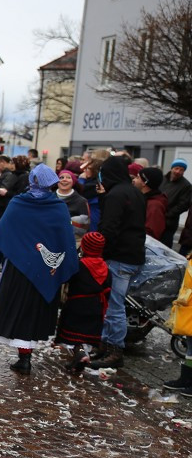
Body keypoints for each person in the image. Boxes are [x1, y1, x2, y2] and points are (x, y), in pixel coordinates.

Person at [0, 165, 79, 374]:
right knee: (34, 314)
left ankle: (23, 358)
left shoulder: (18, 203)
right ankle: (26, 357)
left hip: (18, 268)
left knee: (17, 310)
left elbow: (2, 235)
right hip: (46, 270)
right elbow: (66, 240)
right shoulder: (59, 207)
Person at [94, 155, 147, 368]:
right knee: (111, 304)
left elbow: (109, 227)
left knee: (114, 306)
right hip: (131, 254)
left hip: (119, 256)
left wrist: (98, 252)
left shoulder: (117, 194)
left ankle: (114, 350)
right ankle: (106, 346)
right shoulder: (133, 191)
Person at [55, 231, 112, 371]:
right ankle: (78, 361)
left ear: (84, 247)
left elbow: (66, 279)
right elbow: (108, 288)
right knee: (86, 336)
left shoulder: (79, 265)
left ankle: (80, 355)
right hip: (96, 307)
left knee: (74, 337)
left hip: (77, 306)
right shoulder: (106, 268)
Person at [160, 159, 191, 247]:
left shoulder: (186, 185)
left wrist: (167, 214)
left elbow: (183, 205)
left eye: (181, 170)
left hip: (169, 223)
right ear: (172, 168)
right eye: (176, 168)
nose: (178, 171)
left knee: (164, 247)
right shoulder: (162, 179)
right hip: (155, 217)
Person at [56, 169, 90, 239]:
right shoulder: (50, 198)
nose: (64, 180)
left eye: (68, 177)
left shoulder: (81, 201)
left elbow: (84, 225)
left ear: (73, 182)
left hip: (72, 239)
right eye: (61, 177)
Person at [135, 166, 168, 240]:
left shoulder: (154, 205)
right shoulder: (144, 199)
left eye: (137, 177)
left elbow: (151, 234)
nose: (134, 180)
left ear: (144, 182)